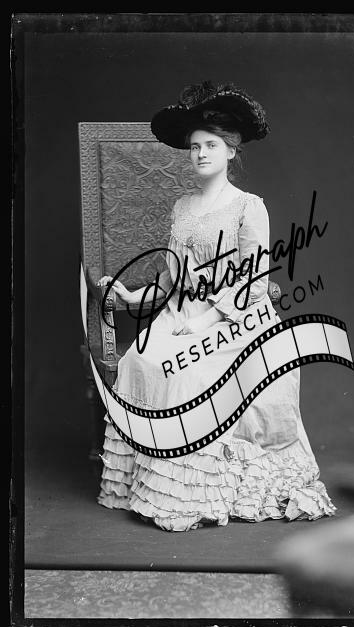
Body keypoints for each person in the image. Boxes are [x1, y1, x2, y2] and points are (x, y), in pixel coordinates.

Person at [96, 81, 336, 531]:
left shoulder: (248, 207)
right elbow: (171, 278)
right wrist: (131, 297)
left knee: (185, 374)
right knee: (140, 362)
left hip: (236, 319)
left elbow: (255, 280)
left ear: (230, 151)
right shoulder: (182, 207)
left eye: (210, 145)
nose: (201, 154)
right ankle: (155, 486)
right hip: (180, 313)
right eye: (194, 147)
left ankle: (202, 493)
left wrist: (206, 320)